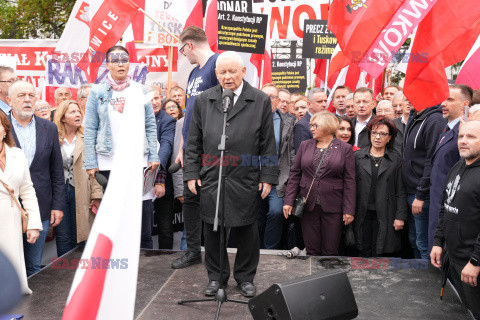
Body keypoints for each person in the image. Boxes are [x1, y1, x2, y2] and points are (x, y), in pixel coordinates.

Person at [184, 51, 278, 297]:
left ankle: (245, 278)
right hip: (212, 176)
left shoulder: (259, 100)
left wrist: (267, 176)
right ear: (216, 73)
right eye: (222, 72)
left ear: (243, 71)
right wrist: (192, 172)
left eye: (232, 71)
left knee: (247, 230)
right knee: (213, 228)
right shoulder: (205, 100)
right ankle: (216, 278)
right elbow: (193, 141)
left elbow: (268, 143)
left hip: (245, 177)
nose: (227, 77)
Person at [83, 46, 160, 249]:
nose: (120, 64)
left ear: (129, 64)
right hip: (108, 160)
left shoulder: (140, 90)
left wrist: (154, 155)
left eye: (124, 60)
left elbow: (150, 125)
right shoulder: (97, 92)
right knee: (115, 212)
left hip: (137, 159)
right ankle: (117, 255)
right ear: (107, 64)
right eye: (115, 60)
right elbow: (90, 127)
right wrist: (91, 162)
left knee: (140, 211)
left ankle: (144, 256)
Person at [172, 26, 219, 269]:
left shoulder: (216, 64)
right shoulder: (193, 73)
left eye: (182, 50)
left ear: (190, 45)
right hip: (190, 147)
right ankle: (192, 251)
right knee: (190, 201)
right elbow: (189, 113)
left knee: (210, 202)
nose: (183, 55)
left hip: (210, 148)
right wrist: (182, 146)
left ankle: (214, 255)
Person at [7, 80, 64, 276]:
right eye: (21, 96)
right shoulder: (1, 127)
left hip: (40, 206)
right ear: (9, 100)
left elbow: (57, 171)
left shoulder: (49, 128)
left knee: (33, 266)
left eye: (31, 95)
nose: (27, 100)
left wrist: (57, 205)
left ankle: (30, 307)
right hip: (7, 207)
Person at [283, 111, 356, 256]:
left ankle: (327, 278)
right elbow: (295, 174)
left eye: (315, 125)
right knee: (312, 249)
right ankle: (314, 278)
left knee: (330, 250)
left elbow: (350, 181)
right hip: (308, 205)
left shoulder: (345, 149)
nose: (312, 129)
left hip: (333, 205)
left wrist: (349, 209)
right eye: (311, 125)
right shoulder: (305, 145)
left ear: (327, 126)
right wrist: (288, 200)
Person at [431, 120, 480, 320]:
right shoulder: (458, 165)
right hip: (453, 258)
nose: (463, 141)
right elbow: (446, 206)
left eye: (471, 137)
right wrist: (437, 242)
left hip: (472, 264)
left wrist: (476, 261)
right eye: (461, 136)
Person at [53, 100, 103, 256]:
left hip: (83, 191)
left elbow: (96, 168)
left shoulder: (87, 136)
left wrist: (97, 194)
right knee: (62, 236)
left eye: (78, 112)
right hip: (60, 193)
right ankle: (64, 274)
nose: (77, 115)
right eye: (72, 112)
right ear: (62, 117)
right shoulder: (54, 137)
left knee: (83, 234)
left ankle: (82, 272)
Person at [0, 111, 42, 294]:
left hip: (11, 219)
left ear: (4, 130)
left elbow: (27, 190)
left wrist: (33, 224)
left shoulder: (17, 154)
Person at [354, 116, 407, 257]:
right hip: (362, 212)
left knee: (381, 252)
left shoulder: (395, 159)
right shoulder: (358, 157)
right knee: (362, 251)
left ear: (389, 138)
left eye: (383, 134)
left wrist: (400, 216)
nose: (377, 137)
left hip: (386, 213)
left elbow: (400, 190)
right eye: (374, 132)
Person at [429, 85, 472, 253]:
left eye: (450, 99)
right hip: (438, 204)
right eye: (443, 99)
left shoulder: (464, 134)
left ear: (465, 104)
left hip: (451, 209)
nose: (443, 104)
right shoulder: (446, 130)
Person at [402, 99, 446, 260]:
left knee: (423, 244)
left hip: (422, 194)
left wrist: (421, 194)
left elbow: (431, 159)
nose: (407, 99)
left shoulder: (435, 120)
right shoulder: (415, 116)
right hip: (411, 191)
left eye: (411, 95)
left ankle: (427, 282)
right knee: (414, 240)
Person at [258, 83, 295, 249]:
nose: (267, 100)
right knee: (255, 218)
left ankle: (269, 250)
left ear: (278, 100)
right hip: (254, 177)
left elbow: (292, 153)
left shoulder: (288, 122)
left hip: (278, 178)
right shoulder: (250, 119)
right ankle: (254, 251)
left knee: (276, 212)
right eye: (263, 96)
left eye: (271, 96)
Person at [151, 94, 176, 249]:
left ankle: (165, 263)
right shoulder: (134, 119)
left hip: (162, 180)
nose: (154, 102)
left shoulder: (167, 120)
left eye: (156, 98)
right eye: (150, 99)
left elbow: (166, 149)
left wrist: (157, 176)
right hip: (139, 183)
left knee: (165, 227)